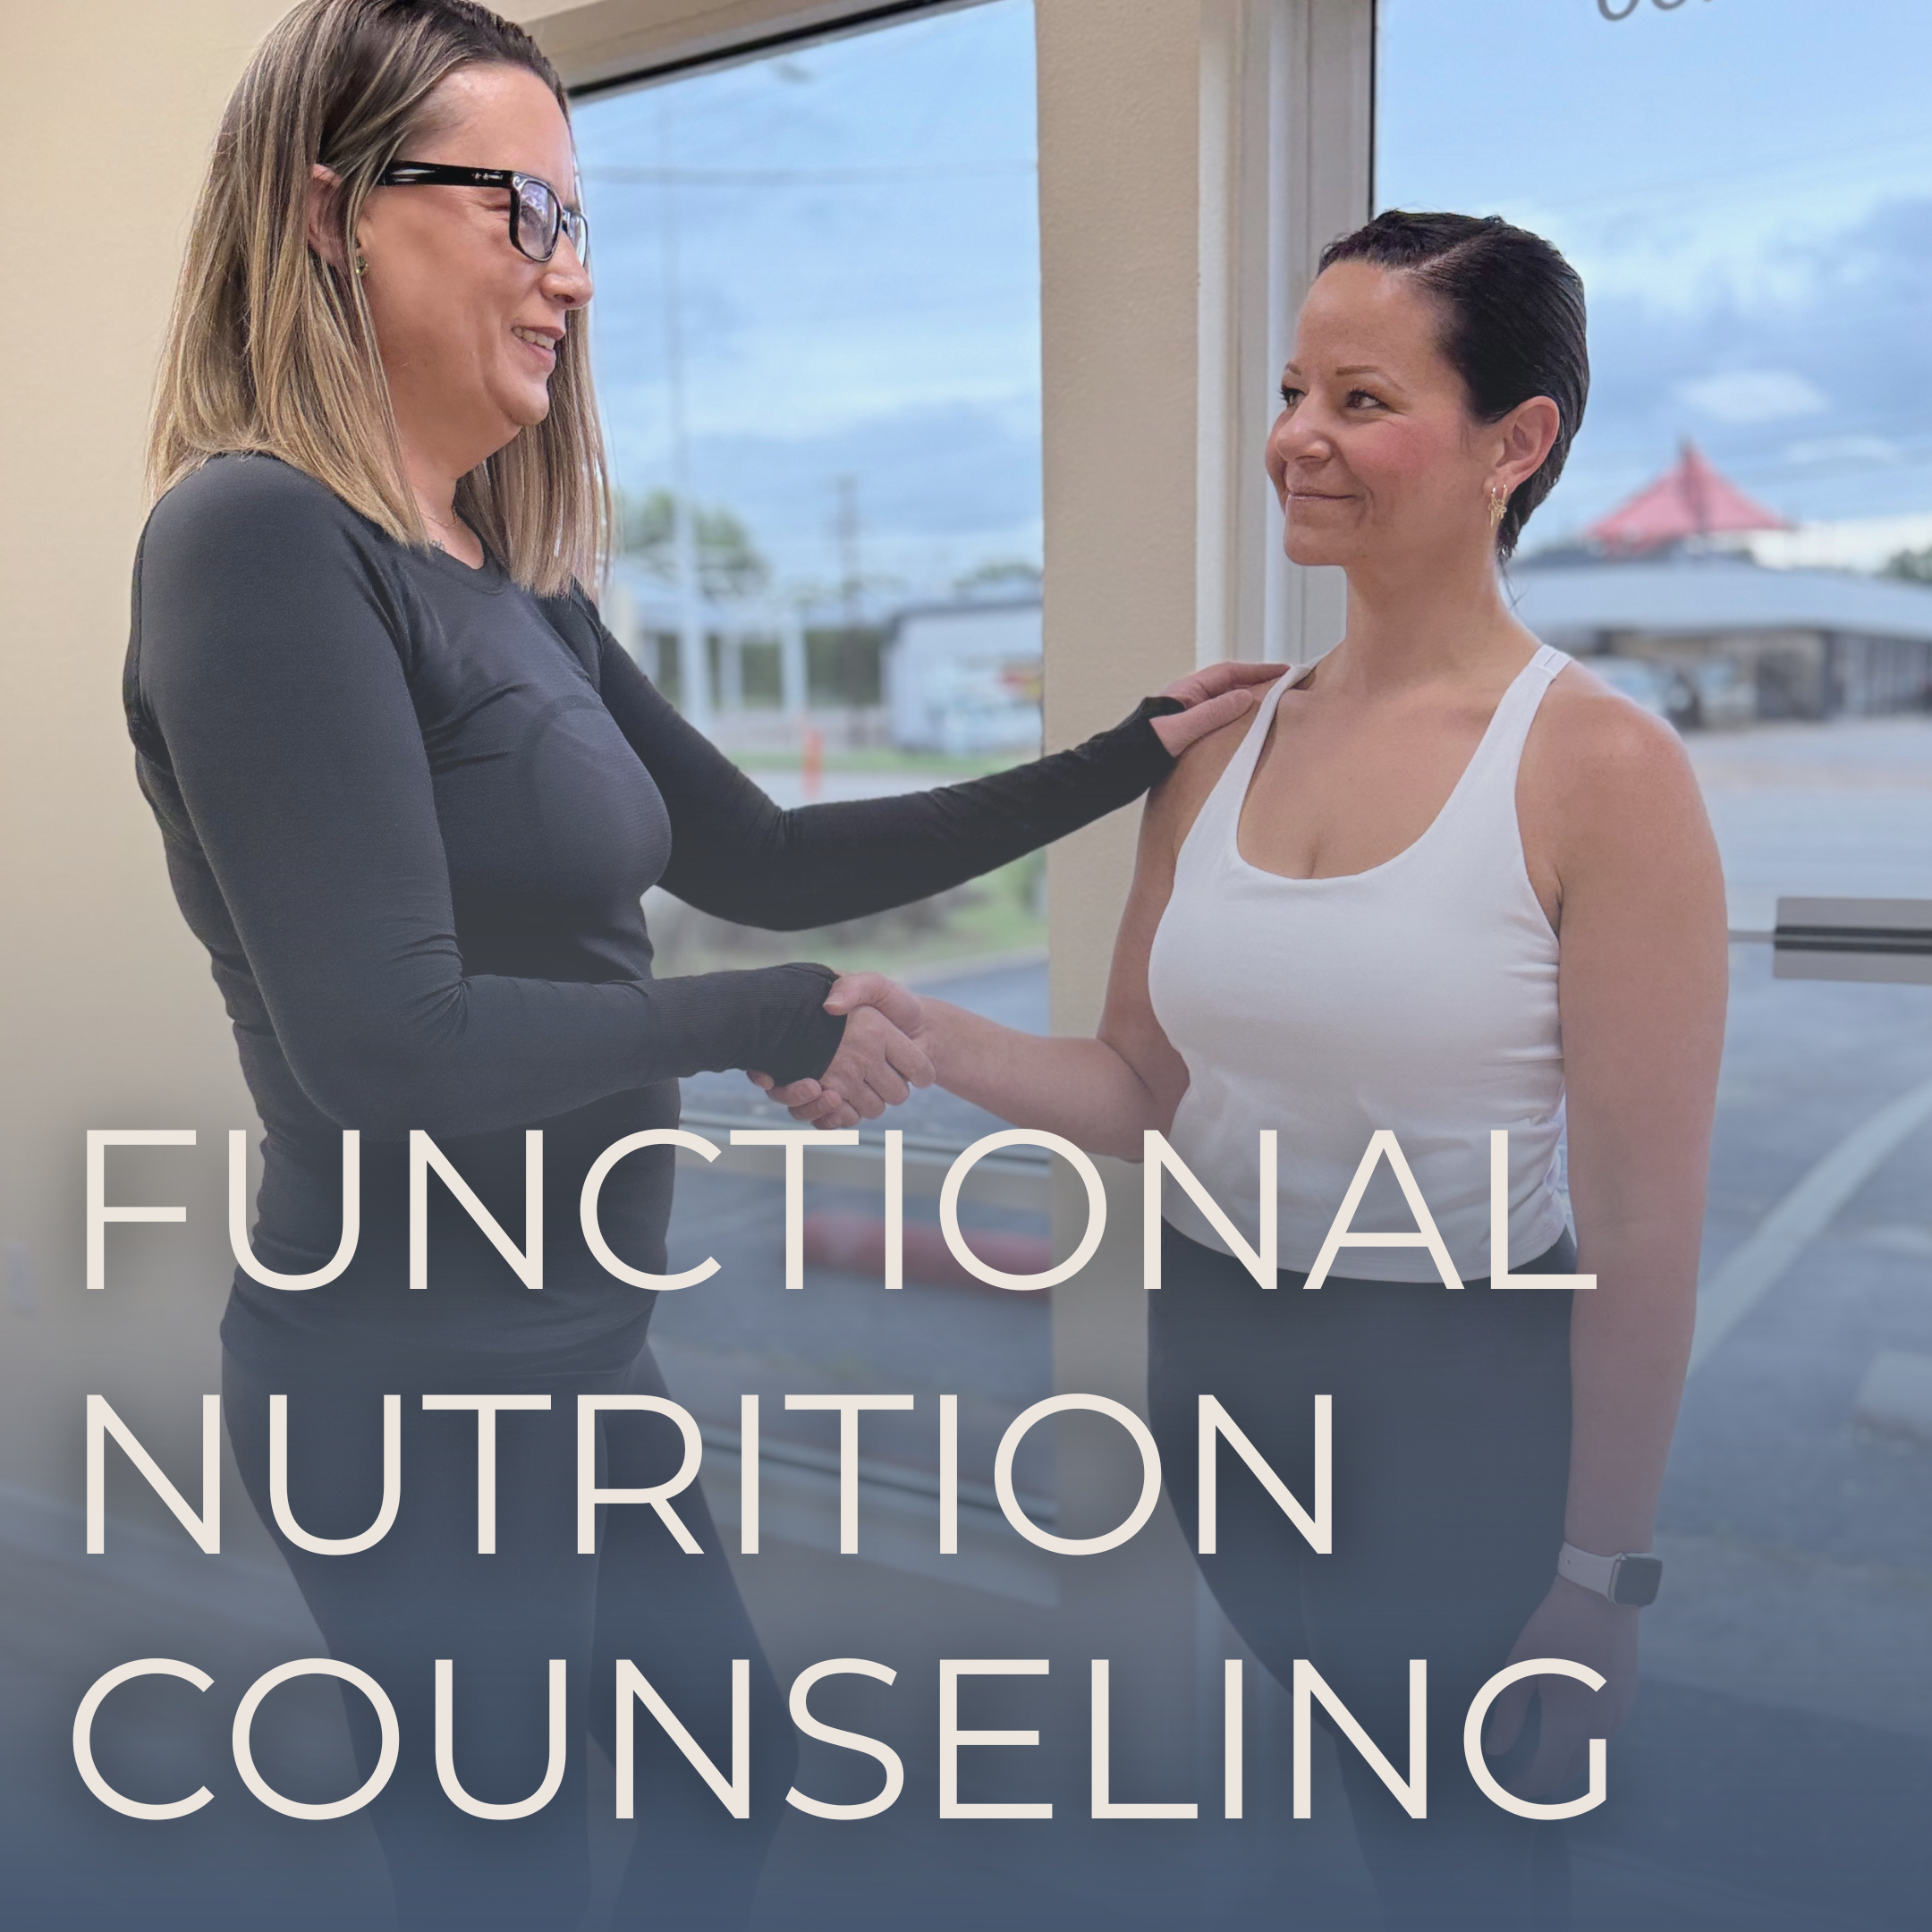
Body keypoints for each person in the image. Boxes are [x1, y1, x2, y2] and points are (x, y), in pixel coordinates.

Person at [123, 4, 1275, 1926]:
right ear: (332, 219)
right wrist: (765, 1022)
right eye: (517, 208)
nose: (568, 269)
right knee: (503, 1881)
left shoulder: (513, 575)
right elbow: (385, 1046)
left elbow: (764, 857)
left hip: (581, 1357)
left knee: (720, 1803)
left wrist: (1128, 754)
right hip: (411, 1395)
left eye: (578, 217)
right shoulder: (253, 539)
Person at [764, 210, 1729, 1930]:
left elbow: (1647, 1226)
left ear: (1519, 444)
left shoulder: (1602, 769)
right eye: (1294, 387)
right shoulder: (1219, 748)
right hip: (1225, 1378)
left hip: (1457, 1408)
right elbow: (1145, 1088)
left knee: (1468, 1862)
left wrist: (1601, 1579)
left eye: (1363, 397)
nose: (1297, 434)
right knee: (1364, 1811)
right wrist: (926, 1026)